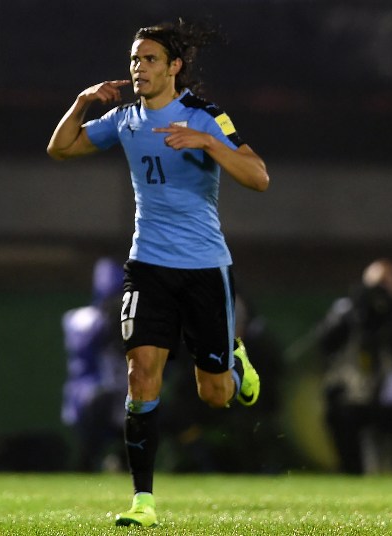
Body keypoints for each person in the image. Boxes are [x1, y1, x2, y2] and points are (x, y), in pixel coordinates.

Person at [47, 18, 269, 527]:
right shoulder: (125, 119)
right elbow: (61, 148)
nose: (138, 68)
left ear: (174, 66)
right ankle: (143, 501)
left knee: (214, 394)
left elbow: (258, 177)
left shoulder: (208, 117)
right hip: (147, 267)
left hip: (203, 270)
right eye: (133, 60)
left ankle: (233, 361)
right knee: (140, 375)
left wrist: (208, 143)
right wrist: (82, 104)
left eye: (149, 59)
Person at [316, 258, 392, 475]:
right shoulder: (346, 311)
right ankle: (351, 474)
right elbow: (325, 344)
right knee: (338, 416)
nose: (380, 292)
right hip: (354, 397)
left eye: (386, 285)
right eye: (375, 285)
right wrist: (355, 314)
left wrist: (390, 320)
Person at [61, 257, 128, 472]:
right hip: (87, 390)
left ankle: (124, 461)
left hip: (121, 392)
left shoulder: (128, 318)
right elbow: (84, 343)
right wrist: (109, 321)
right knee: (101, 400)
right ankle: (86, 464)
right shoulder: (84, 318)